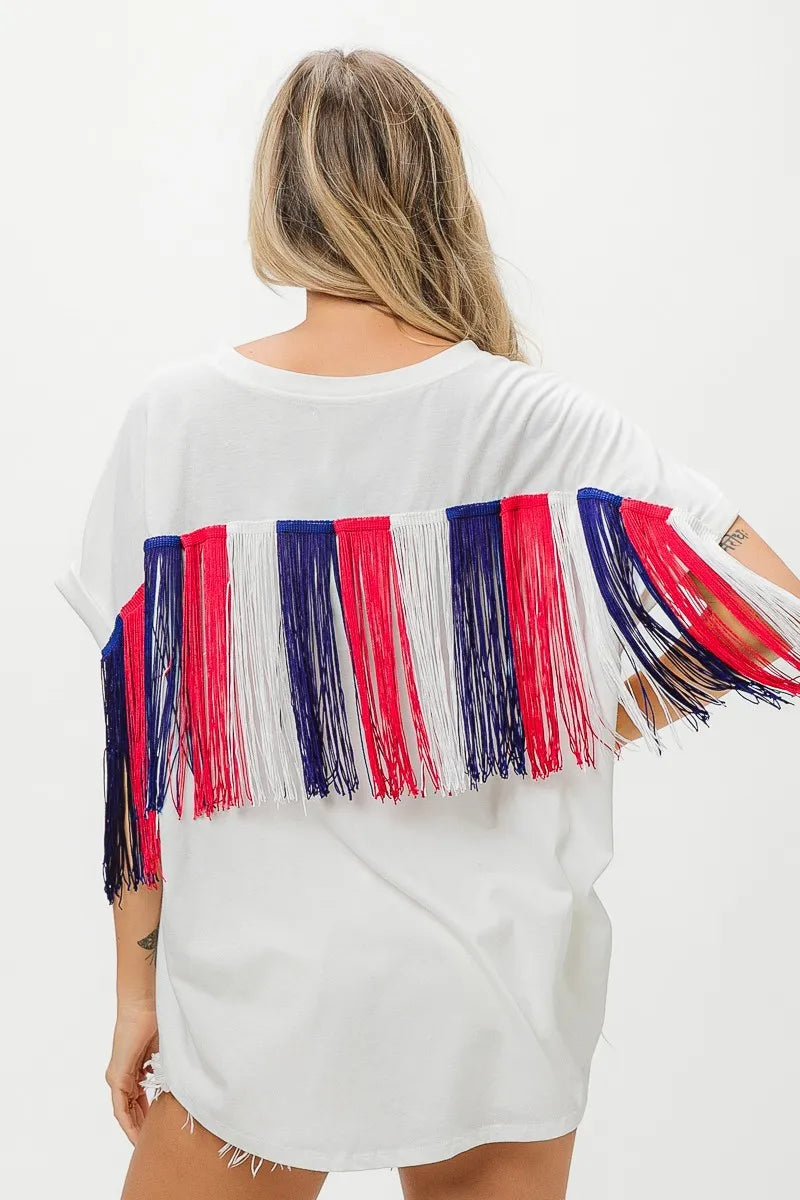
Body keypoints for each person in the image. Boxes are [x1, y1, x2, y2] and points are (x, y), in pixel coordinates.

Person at [56, 47, 800, 1200]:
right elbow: (771, 603)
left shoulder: (179, 423)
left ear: (279, 201)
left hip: (262, 1003)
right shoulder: (539, 418)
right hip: (492, 994)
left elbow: (143, 745)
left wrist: (135, 995)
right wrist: (563, 717)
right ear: (438, 193)